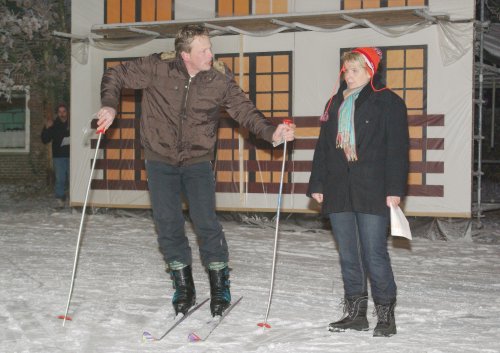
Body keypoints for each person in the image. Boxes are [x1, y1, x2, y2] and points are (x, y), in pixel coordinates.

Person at [97, 24, 295, 317]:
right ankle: (183, 286)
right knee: (168, 223)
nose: (210, 54)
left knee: (206, 222)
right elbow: (114, 74)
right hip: (159, 157)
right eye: (204, 50)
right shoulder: (156, 68)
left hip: (198, 160)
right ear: (185, 54)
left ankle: (219, 285)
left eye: (210, 48)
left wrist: (272, 133)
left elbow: (245, 112)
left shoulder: (218, 80)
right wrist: (110, 106)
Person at [307, 47, 409, 337]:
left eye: (355, 70)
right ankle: (356, 314)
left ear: (369, 71)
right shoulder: (333, 103)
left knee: (374, 253)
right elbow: (324, 147)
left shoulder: (388, 102)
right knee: (349, 254)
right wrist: (317, 183)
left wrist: (394, 188)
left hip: (373, 187)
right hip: (339, 187)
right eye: (346, 70)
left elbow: (397, 149)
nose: (349, 76)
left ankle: (386, 315)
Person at [41, 103, 70, 208]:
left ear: (67, 112)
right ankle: (60, 200)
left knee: (73, 178)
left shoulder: (72, 123)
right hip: (59, 157)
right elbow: (45, 140)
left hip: (72, 156)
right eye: (60, 112)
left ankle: (75, 201)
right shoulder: (54, 125)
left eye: (64, 111)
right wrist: (46, 128)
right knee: (60, 179)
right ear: (57, 113)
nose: (62, 114)